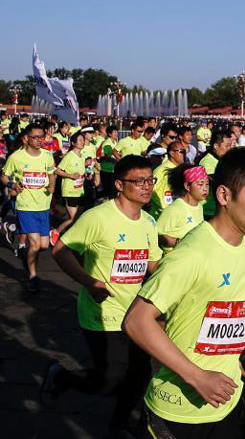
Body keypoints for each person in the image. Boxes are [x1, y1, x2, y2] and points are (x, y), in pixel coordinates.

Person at [123, 148, 245, 437]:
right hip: (179, 412)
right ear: (223, 196)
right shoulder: (192, 253)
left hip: (228, 400)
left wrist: (228, 356)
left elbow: (219, 312)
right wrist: (197, 375)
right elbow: (137, 320)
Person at [43, 155, 161, 435]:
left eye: (150, 180)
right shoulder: (98, 217)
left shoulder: (148, 221)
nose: (147, 187)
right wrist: (89, 282)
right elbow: (61, 250)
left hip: (136, 314)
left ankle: (118, 425)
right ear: (119, 184)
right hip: (102, 313)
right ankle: (63, 376)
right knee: (110, 379)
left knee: (139, 374)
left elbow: (153, 264)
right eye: (139, 181)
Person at [2, 122, 56, 292]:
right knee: (34, 244)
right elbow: (4, 176)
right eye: (36, 137)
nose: (40, 140)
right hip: (25, 206)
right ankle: (32, 276)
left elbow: (51, 173)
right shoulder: (16, 157)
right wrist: (12, 185)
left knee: (44, 245)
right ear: (26, 138)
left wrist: (52, 186)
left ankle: (26, 254)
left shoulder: (47, 155)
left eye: (42, 137)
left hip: (43, 205)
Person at [156, 164, 209, 253]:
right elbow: (154, 236)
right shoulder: (175, 209)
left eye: (207, 184)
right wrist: (177, 242)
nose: (205, 189)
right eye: (200, 184)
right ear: (187, 186)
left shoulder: (199, 206)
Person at [55, 131, 88, 235]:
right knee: (74, 218)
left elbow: (79, 170)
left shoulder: (81, 156)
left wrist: (85, 168)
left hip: (79, 190)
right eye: (80, 140)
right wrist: (71, 176)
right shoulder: (69, 155)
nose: (83, 142)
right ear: (73, 143)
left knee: (75, 218)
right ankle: (56, 232)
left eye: (83, 139)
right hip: (70, 191)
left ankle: (64, 234)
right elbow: (57, 170)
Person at [199, 128, 232, 220]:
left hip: (219, 208)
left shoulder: (222, 159)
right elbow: (216, 182)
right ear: (216, 146)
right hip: (209, 210)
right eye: (227, 146)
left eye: (231, 146)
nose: (229, 149)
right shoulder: (207, 162)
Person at [150, 140, 186, 218]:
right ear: (172, 153)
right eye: (181, 151)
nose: (184, 154)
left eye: (185, 151)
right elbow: (154, 192)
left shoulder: (179, 169)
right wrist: (168, 212)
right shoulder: (163, 171)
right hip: (162, 217)